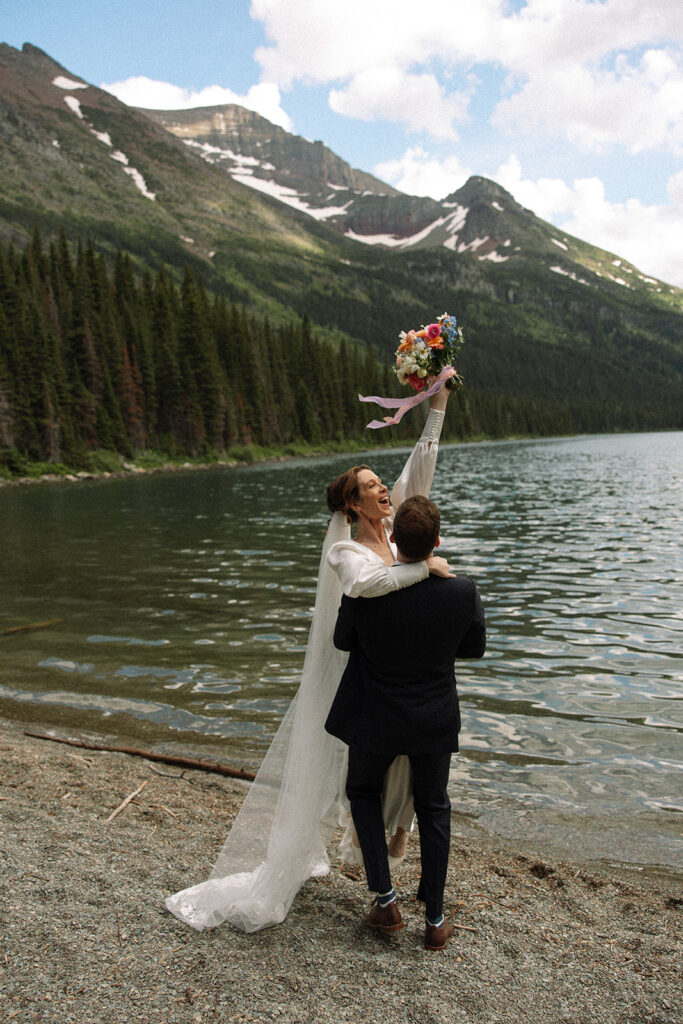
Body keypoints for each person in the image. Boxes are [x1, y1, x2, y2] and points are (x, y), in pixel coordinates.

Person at [165, 389, 451, 934]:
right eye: (371, 487)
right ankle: (385, 871)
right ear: (353, 505)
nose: (384, 489)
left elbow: (421, 465)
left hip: (404, 680)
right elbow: (370, 584)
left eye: (380, 483)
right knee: (369, 778)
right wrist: (432, 568)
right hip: (368, 684)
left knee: (408, 775)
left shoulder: (395, 530)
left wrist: (436, 403)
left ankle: (394, 853)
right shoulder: (344, 551)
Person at [325, 495, 486, 950]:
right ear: (437, 542)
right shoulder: (462, 591)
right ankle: (434, 919)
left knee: (362, 793)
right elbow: (474, 649)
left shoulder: (366, 592)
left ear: (394, 540)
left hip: (376, 715)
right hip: (434, 717)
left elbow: (341, 640)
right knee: (434, 807)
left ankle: (386, 900)